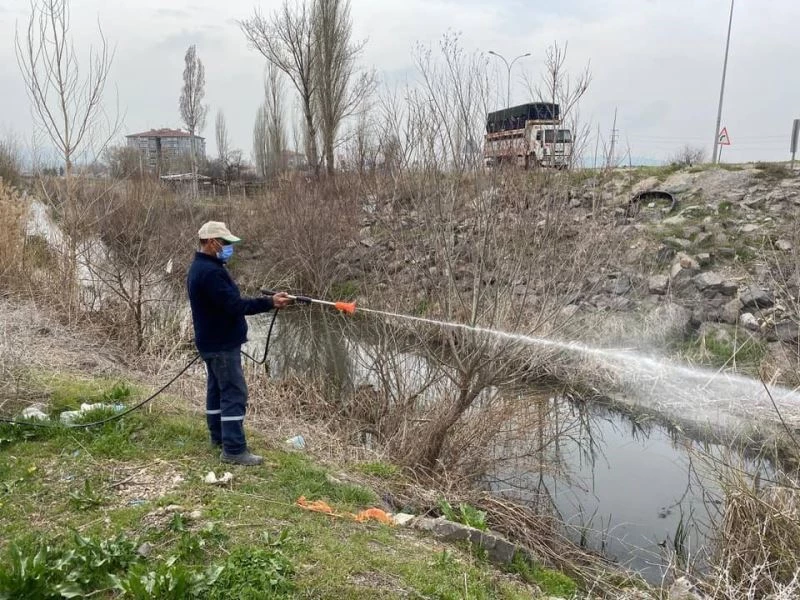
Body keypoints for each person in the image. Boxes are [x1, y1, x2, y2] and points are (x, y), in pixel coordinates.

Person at [187, 221, 290, 466]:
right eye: (225, 243)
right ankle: (233, 449)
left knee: (216, 391)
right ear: (212, 243)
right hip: (221, 345)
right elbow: (236, 306)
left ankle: (219, 438)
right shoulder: (211, 273)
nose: (228, 247)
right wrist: (269, 302)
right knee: (234, 393)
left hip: (211, 342)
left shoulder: (201, 267)